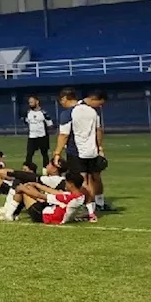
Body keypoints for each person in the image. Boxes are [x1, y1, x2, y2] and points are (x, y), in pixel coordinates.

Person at [53, 88, 107, 217]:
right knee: (91, 179)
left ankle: (89, 211)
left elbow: (64, 135)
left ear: (65, 98)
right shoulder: (91, 111)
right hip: (92, 151)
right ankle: (94, 207)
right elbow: (98, 130)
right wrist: (99, 148)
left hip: (76, 151)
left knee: (82, 181)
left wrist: (57, 154)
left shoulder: (68, 114)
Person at [0, 171, 88, 224]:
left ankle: (9, 215)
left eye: (67, 182)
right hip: (51, 212)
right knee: (28, 188)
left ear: (71, 184)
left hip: (43, 216)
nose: (65, 184)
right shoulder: (79, 196)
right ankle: (10, 213)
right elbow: (54, 192)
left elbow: (40, 195)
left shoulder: (68, 198)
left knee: (24, 189)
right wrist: (37, 185)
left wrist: (22, 188)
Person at [23, 95, 54, 171]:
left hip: (42, 137)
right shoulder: (27, 112)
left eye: (32, 102)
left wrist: (47, 131)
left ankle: (45, 171)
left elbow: (50, 124)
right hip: (32, 137)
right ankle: (27, 170)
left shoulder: (43, 113)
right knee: (29, 154)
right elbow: (26, 121)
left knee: (44, 154)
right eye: (29, 102)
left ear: (37, 102)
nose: (30, 104)